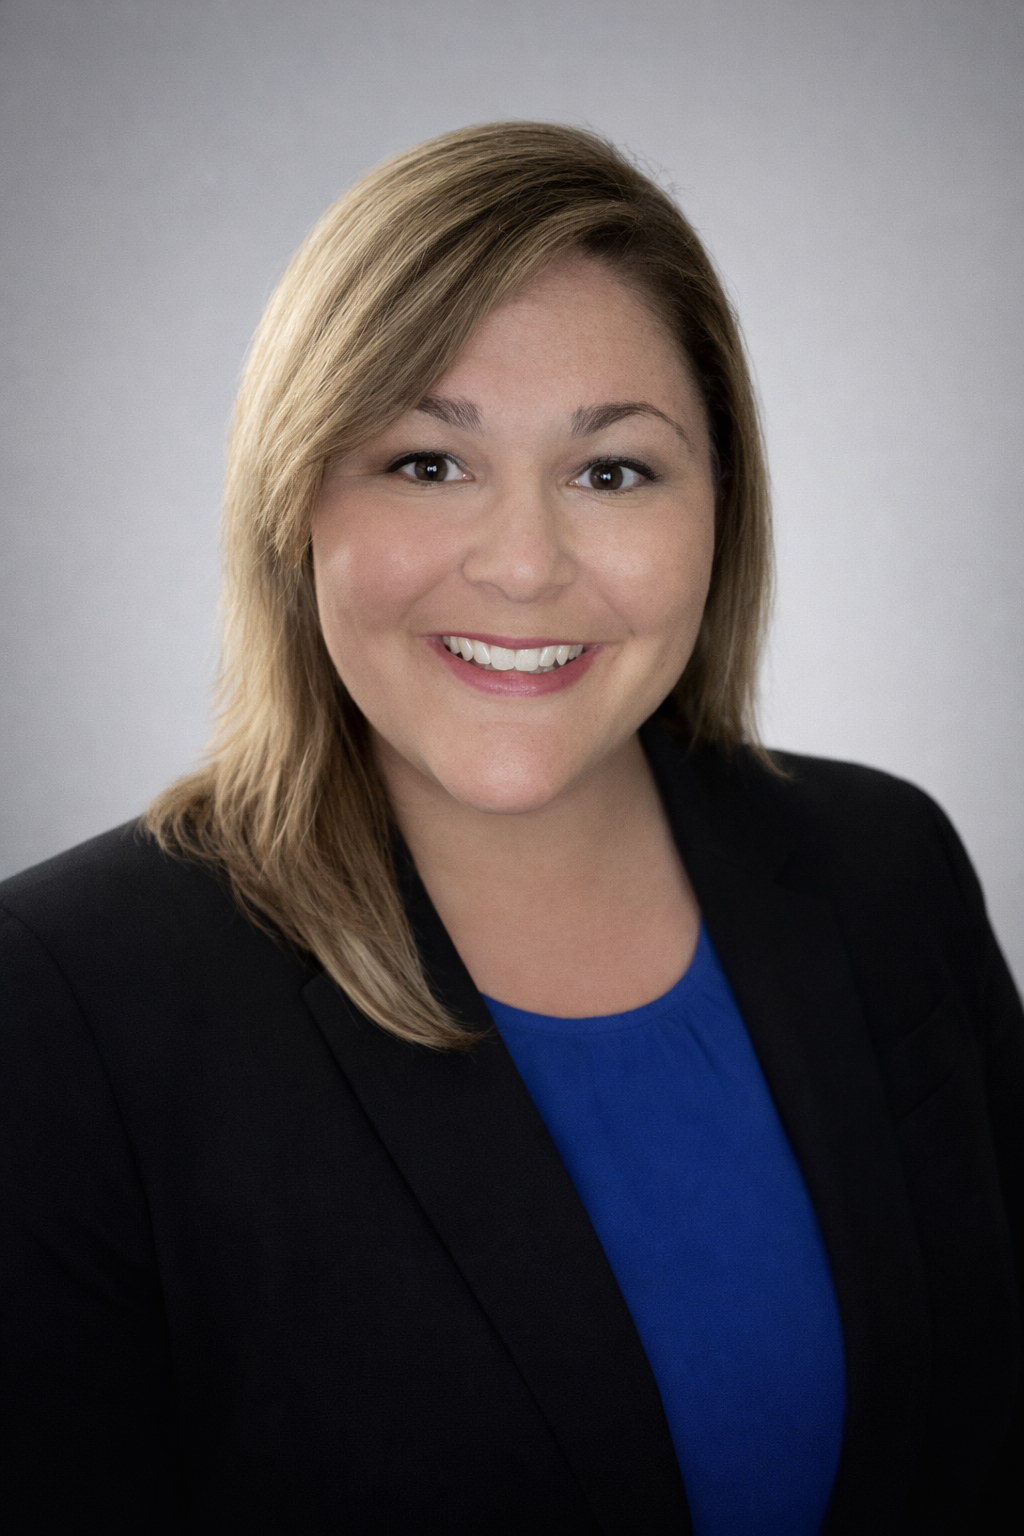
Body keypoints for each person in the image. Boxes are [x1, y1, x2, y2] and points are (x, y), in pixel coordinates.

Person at [1, 122, 1020, 1536]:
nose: (526, 564)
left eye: (613, 472)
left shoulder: (884, 865)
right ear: (297, 505)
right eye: (428, 462)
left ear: (720, 510)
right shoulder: (59, 997)